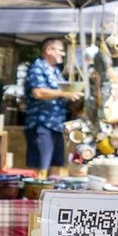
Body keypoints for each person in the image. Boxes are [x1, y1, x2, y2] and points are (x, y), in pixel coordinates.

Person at [20, 34, 82, 169]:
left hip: (56, 126)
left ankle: (51, 190)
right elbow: (38, 92)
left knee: (55, 167)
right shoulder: (38, 67)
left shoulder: (55, 71)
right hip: (42, 125)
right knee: (41, 169)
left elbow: (61, 94)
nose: (63, 54)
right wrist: (65, 93)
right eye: (60, 50)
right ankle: (38, 190)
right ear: (49, 50)